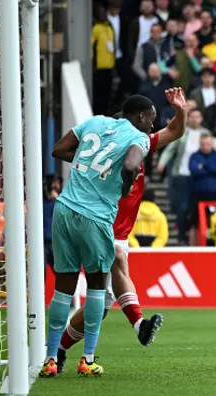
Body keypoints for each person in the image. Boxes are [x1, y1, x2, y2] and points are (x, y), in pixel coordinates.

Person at [54, 88, 187, 375]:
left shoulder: (142, 142)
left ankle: (60, 350)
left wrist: (181, 109)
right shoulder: (128, 142)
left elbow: (175, 131)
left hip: (120, 228)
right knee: (116, 262)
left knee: (101, 304)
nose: (151, 125)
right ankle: (139, 325)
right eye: (148, 119)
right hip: (101, 217)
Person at [42, 94, 156, 377]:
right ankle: (88, 359)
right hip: (94, 217)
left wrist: (88, 167)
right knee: (96, 289)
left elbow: (59, 149)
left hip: (64, 210)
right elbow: (130, 166)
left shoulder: (93, 122)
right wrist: (124, 186)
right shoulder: (138, 138)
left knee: (62, 290)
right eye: (152, 119)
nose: (153, 127)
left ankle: (50, 360)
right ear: (140, 116)